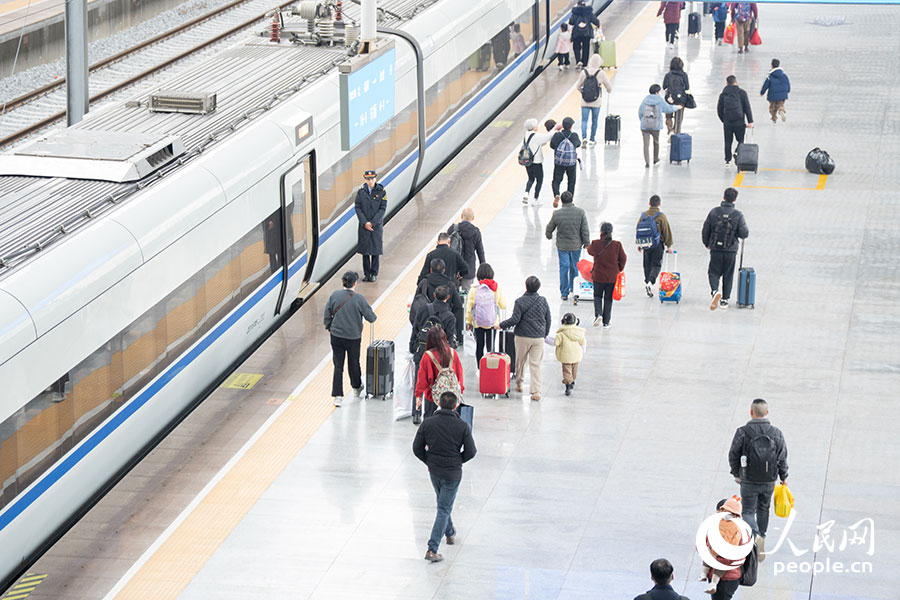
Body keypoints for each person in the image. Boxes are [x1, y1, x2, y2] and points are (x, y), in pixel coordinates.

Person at [412, 391, 476, 564]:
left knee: (443, 504)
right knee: (443, 508)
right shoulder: (462, 426)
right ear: (455, 406)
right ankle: (432, 549)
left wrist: (429, 462)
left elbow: (416, 448)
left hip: (435, 472)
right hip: (453, 473)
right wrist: (457, 461)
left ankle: (449, 533)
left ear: (439, 404)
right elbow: (471, 452)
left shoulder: (428, 423)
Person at [728, 398, 789, 556]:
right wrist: (783, 477)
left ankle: (752, 537)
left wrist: (736, 474)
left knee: (748, 510)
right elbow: (782, 457)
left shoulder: (743, 431)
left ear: (751, 411)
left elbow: (733, 454)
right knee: (764, 508)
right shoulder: (776, 433)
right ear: (767, 412)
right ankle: (762, 536)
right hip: (769, 480)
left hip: (748, 479)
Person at [323, 271, 377, 407]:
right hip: (353, 337)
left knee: (338, 365)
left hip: (336, 336)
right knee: (354, 362)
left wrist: (330, 327)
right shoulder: (359, 299)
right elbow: (371, 317)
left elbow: (327, 314)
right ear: (355, 283)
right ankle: (356, 387)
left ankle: (338, 396)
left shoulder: (334, 295)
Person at [498, 276, 552, 402]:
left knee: (520, 361)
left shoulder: (520, 301)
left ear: (526, 286)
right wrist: (544, 334)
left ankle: (519, 383)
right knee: (536, 364)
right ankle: (536, 391)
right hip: (538, 337)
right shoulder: (543, 301)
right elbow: (548, 318)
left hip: (522, 336)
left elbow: (515, 320)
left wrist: (500, 325)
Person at [701, 187, 749, 310]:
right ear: (735, 199)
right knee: (728, 274)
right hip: (731, 250)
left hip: (716, 249)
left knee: (713, 272)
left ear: (723, 197)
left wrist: (706, 243)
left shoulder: (714, 212)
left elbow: (706, 229)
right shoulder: (738, 215)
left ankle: (715, 291)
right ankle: (724, 300)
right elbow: (744, 233)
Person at [545, 191, 591, 301]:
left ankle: (564, 292)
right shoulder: (580, 212)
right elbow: (585, 230)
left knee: (564, 267)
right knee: (574, 267)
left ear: (561, 201)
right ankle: (573, 288)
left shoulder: (557, 214)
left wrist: (549, 235)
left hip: (562, 247)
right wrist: (587, 243)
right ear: (572, 200)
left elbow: (549, 228)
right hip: (576, 246)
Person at [700, 496, 748, 595]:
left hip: (726, 576)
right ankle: (707, 577)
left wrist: (713, 557)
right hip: (728, 574)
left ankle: (704, 575)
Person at [415, 327, 464, 420]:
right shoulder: (453, 353)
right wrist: (460, 391)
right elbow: (459, 375)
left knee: (429, 422)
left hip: (433, 397)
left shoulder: (427, 356)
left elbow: (422, 380)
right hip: (452, 397)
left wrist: (418, 396)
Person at [416, 258, 464, 345]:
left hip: (425, 327)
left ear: (431, 270)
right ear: (444, 270)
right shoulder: (450, 285)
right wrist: (449, 311)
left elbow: (417, 301)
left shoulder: (424, 283)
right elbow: (458, 305)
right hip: (445, 326)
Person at [587, 222, 626, 328]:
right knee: (608, 298)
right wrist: (619, 269)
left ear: (601, 232)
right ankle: (606, 322)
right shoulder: (617, 245)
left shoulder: (595, 244)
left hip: (598, 276)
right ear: (611, 232)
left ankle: (598, 314)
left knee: (597, 296)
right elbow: (623, 258)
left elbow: (589, 251)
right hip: (611, 276)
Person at [466, 263, 507, 366]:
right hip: (493, 323)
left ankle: (480, 369)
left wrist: (469, 322)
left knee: (479, 346)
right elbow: (503, 305)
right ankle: (490, 367)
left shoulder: (474, 289)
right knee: (491, 347)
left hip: (478, 323)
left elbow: (469, 308)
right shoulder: (496, 288)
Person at [636, 195, 674, 297]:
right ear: (659, 204)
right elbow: (666, 231)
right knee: (656, 264)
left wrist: (639, 244)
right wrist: (669, 245)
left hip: (646, 244)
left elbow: (638, 229)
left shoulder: (643, 215)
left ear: (649, 203)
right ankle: (651, 283)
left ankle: (647, 282)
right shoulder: (661, 216)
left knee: (647, 264)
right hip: (657, 245)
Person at [354, 170, 387, 282]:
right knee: (365, 251)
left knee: (375, 251)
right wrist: (364, 222)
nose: (370, 181)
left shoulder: (382, 191)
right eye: (368, 179)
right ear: (365, 180)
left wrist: (372, 223)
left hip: (375, 227)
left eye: (372, 179)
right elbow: (357, 207)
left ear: (375, 179)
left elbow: (382, 209)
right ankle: (366, 273)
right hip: (364, 226)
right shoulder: (361, 192)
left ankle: (374, 273)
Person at [638, 84, 682, 168]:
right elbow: (668, 108)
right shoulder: (659, 100)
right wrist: (677, 107)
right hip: (655, 125)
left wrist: (643, 121)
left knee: (646, 145)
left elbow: (640, 112)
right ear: (657, 92)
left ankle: (647, 162)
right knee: (656, 142)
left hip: (645, 125)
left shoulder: (645, 100)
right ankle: (655, 159)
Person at [522, 119, 562, 205]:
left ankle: (526, 193)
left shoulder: (526, 135)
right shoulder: (536, 136)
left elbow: (541, 142)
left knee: (531, 178)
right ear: (533, 127)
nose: (537, 126)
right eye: (536, 125)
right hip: (536, 161)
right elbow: (547, 137)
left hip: (527, 160)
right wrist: (555, 129)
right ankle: (535, 199)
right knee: (539, 180)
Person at [716, 75, 753, 167]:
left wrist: (723, 119)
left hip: (728, 122)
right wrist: (750, 121)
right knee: (740, 140)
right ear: (736, 82)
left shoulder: (723, 94)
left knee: (728, 141)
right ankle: (737, 153)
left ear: (727, 83)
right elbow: (747, 107)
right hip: (739, 121)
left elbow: (719, 109)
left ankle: (727, 160)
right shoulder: (742, 93)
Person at [410, 285, 457, 356]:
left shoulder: (423, 309)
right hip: (439, 355)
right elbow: (450, 338)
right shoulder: (450, 316)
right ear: (448, 297)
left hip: (422, 351)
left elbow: (415, 329)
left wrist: (412, 347)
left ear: (434, 295)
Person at [578, 54, 612, 148]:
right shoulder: (601, 73)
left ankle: (584, 138)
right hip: (596, 101)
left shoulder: (584, 72)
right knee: (594, 120)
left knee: (584, 120)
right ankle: (592, 139)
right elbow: (608, 86)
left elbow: (578, 86)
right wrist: (609, 90)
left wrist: (583, 93)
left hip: (585, 101)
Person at [448, 208, 485, 290]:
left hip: (454, 268)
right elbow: (480, 251)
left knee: (453, 293)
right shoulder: (476, 232)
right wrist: (483, 266)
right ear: (473, 218)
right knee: (467, 294)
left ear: (461, 216)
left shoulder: (452, 229)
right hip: (469, 268)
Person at [549, 117, 581, 207]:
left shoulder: (557, 135)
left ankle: (556, 195)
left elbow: (552, 145)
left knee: (556, 180)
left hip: (559, 162)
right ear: (571, 126)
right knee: (571, 181)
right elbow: (578, 144)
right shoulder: (574, 135)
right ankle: (569, 200)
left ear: (562, 126)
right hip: (571, 163)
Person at [555, 313, 585, 396]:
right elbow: (583, 343)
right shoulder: (580, 332)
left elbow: (556, 342)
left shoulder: (561, 334)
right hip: (577, 355)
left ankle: (568, 385)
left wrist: (545, 338)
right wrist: (582, 351)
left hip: (565, 356)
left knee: (567, 371)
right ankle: (572, 381)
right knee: (574, 370)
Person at [662, 57, 690, 135]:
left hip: (670, 99)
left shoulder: (668, 75)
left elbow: (664, 86)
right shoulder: (684, 75)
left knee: (668, 116)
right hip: (681, 100)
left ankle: (670, 129)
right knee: (678, 118)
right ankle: (676, 133)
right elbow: (687, 87)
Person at [568, 0, 599, 67]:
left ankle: (578, 61)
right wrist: (598, 25)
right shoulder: (589, 12)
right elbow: (595, 21)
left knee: (576, 47)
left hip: (577, 33)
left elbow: (571, 22)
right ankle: (584, 64)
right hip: (586, 33)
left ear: (577, 5)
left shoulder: (575, 12)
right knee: (586, 48)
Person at [760, 58, 790, 124]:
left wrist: (762, 92)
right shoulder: (784, 75)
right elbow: (787, 84)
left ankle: (774, 118)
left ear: (771, 65)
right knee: (780, 104)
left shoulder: (770, 76)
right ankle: (781, 110)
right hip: (782, 94)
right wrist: (787, 91)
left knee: (772, 108)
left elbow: (766, 85)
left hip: (772, 95)